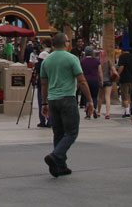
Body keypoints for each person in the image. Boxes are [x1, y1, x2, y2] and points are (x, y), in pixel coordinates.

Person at [40, 33, 95, 177]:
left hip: (52, 100)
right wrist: (89, 100)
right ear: (65, 43)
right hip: (67, 98)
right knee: (71, 132)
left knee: (58, 133)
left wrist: (44, 102)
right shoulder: (72, 58)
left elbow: (44, 83)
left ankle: (60, 166)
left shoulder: (46, 60)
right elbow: (81, 81)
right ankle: (55, 156)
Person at [79, 47, 101, 118]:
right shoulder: (97, 61)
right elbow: (100, 71)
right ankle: (94, 108)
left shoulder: (82, 61)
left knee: (86, 97)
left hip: (85, 80)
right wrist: (101, 80)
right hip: (95, 80)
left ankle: (88, 113)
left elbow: (80, 71)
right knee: (94, 96)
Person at [116, 47, 132, 118]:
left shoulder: (122, 57)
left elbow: (121, 67)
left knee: (125, 96)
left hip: (124, 79)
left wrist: (117, 75)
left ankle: (127, 112)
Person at [35, 37, 52, 127]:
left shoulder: (43, 54)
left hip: (42, 81)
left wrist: (36, 64)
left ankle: (42, 119)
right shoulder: (52, 54)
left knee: (42, 100)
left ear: (44, 45)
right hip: (52, 81)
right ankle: (50, 120)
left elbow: (38, 68)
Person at [97, 49, 118, 119]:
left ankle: (98, 111)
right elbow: (114, 71)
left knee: (100, 97)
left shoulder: (98, 62)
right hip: (108, 81)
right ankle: (107, 113)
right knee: (107, 97)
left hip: (100, 81)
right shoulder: (109, 62)